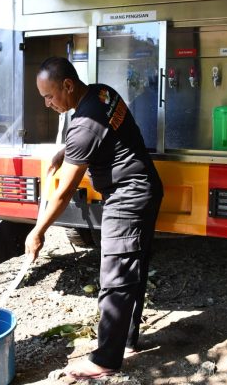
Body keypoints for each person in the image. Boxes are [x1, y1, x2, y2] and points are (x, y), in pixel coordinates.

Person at [24, 57, 163, 380]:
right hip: (145, 187)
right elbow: (99, 137)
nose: (47, 104)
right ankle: (126, 341)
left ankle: (105, 359)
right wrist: (64, 153)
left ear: (68, 85)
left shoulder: (84, 124)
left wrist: (38, 231)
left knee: (115, 275)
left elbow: (63, 191)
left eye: (49, 96)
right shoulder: (101, 93)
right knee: (133, 269)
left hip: (127, 197)